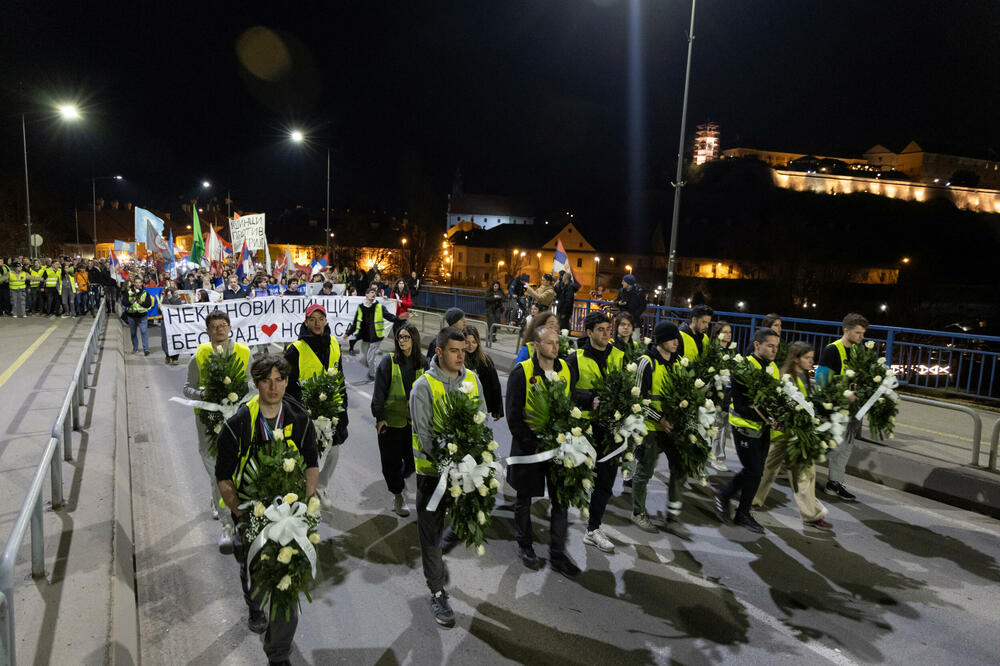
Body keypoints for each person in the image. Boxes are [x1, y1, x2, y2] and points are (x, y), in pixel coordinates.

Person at [215, 355, 318, 666]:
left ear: (286, 382)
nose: (274, 387)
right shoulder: (238, 424)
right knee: (256, 576)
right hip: (251, 515)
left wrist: (303, 508)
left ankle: (278, 654)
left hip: (289, 516)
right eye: (267, 381)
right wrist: (241, 513)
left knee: (286, 582)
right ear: (256, 383)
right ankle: (254, 602)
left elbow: (311, 465)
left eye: (279, 380)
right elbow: (223, 476)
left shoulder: (300, 420)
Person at [409, 327, 486, 628]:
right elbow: (425, 436)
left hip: (466, 472)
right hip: (433, 477)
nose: (460, 356)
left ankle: (439, 556)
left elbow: (481, 421)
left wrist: (475, 460)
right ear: (439, 352)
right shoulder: (423, 387)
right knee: (430, 535)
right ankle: (437, 592)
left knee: (469, 521)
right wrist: (448, 463)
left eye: (463, 351)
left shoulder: (472, 379)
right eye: (454, 351)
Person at [506, 327, 581, 576]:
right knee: (524, 498)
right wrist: (531, 444)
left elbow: (570, 404)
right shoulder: (523, 372)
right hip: (530, 448)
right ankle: (525, 545)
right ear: (537, 345)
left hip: (558, 448)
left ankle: (557, 554)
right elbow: (513, 415)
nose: (555, 347)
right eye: (549, 343)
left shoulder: (566, 369)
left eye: (556, 342)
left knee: (561, 500)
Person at [183, 310, 252, 552]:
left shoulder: (244, 352)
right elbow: (187, 388)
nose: (219, 329)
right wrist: (201, 394)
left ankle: (238, 514)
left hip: (238, 420)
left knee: (239, 470)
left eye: (223, 325)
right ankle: (227, 526)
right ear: (207, 331)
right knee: (216, 473)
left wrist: (242, 397)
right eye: (214, 326)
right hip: (208, 423)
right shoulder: (199, 356)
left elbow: (253, 383)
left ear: (230, 328)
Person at [752, 341, 832, 529]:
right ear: (796, 358)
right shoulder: (784, 378)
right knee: (767, 471)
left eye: (812, 358)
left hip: (797, 438)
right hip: (781, 436)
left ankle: (812, 515)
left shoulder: (804, 377)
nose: (811, 361)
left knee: (805, 474)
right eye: (807, 358)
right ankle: (752, 499)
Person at [566, 311, 625, 553]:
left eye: (608, 329)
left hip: (610, 430)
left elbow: (627, 387)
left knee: (605, 481)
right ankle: (558, 524)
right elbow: (566, 392)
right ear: (589, 332)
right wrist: (589, 400)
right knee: (574, 481)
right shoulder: (575, 359)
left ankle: (593, 528)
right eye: (600, 330)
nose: (606, 333)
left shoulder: (619, 356)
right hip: (584, 431)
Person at [714, 327, 781, 534]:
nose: (774, 350)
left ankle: (729, 499)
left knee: (756, 472)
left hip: (764, 427)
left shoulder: (773, 367)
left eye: (776, 347)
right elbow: (740, 405)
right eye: (770, 346)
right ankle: (739, 510)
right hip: (744, 427)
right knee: (753, 470)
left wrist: (778, 416)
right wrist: (768, 418)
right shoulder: (743, 367)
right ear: (757, 345)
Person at [284, 304, 349, 508]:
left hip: (332, 411)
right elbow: (287, 386)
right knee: (308, 454)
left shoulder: (334, 343)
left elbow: (340, 378)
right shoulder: (295, 349)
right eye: (312, 319)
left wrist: (343, 409)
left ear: (326, 321)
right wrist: (297, 412)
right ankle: (305, 490)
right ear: (306, 322)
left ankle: (321, 487)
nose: (317, 323)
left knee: (333, 452)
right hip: (306, 413)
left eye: (321, 319)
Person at [371, 323, 427, 517]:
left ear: (414, 340)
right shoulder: (389, 362)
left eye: (406, 337)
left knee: (411, 462)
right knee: (391, 462)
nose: (402, 341)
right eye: (399, 338)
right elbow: (378, 392)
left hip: (414, 424)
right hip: (391, 423)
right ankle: (398, 495)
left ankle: (399, 481)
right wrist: (380, 417)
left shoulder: (423, 363)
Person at [630, 321, 681, 532]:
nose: (676, 342)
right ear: (660, 340)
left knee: (680, 466)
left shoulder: (678, 364)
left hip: (671, 426)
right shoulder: (646, 363)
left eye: (677, 338)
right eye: (671, 338)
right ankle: (638, 512)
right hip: (649, 426)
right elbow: (637, 399)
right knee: (645, 470)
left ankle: (673, 514)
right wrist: (659, 419)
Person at [815, 312, 869, 502]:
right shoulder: (832, 350)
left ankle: (835, 483)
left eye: (863, 334)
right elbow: (821, 379)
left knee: (846, 447)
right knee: (833, 447)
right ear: (846, 330)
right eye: (858, 333)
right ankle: (793, 467)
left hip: (852, 408)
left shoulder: (858, 351)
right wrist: (845, 393)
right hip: (835, 407)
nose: (861, 337)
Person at [345, 286, 399, 380]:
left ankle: (374, 375)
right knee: (364, 358)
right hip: (365, 337)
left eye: (375, 293)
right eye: (371, 292)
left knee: (370, 358)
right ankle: (376, 370)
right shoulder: (361, 307)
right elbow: (356, 322)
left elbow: (389, 316)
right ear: (366, 295)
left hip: (376, 337)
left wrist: (399, 319)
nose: (374, 294)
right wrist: (348, 333)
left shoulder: (379, 307)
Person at [708, 321, 734, 471]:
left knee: (723, 426)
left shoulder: (731, 351)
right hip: (716, 392)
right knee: (717, 425)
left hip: (728, 392)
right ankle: (716, 457)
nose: (728, 335)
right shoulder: (713, 351)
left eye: (730, 332)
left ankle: (718, 455)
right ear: (717, 334)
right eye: (725, 332)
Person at [462, 326, 503, 420]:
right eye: (467, 342)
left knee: (479, 427)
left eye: (474, 342)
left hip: (482, 406)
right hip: (462, 405)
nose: (470, 346)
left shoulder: (485, 360)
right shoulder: (459, 360)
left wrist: (497, 409)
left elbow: (495, 385)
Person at [122, 276, 153, 355]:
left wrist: (142, 303)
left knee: (144, 332)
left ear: (142, 283)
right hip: (131, 316)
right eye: (136, 282)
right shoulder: (128, 292)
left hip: (142, 316)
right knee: (133, 333)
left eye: (139, 282)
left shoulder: (145, 293)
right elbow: (124, 302)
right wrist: (130, 303)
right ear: (134, 283)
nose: (138, 284)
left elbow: (149, 304)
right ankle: (135, 348)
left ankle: (146, 349)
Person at [159, 287, 182, 364]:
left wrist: (170, 297)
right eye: (174, 293)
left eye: (175, 293)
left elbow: (176, 307)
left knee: (176, 338)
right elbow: (159, 312)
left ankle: (175, 358)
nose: (176, 294)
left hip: (175, 323)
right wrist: (159, 307)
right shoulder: (164, 299)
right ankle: (167, 355)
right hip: (165, 322)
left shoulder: (178, 300)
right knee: (166, 339)